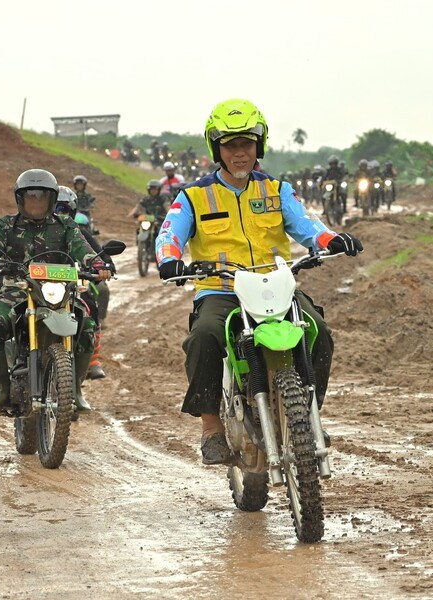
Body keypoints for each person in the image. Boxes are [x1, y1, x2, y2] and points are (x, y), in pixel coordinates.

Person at [155, 98, 363, 465]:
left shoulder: (277, 190)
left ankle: (307, 415)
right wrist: (170, 260)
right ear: (217, 150)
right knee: (204, 336)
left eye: (247, 144)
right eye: (230, 145)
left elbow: (308, 225)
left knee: (319, 332)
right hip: (222, 290)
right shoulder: (193, 196)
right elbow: (169, 234)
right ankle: (211, 428)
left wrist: (331, 240)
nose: (240, 153)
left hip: (275, 286)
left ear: (259, 146)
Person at [0, 169, 111, 413]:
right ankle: (2, 389)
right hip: (17, 290)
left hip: (59, 290)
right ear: (20, 199)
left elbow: (82, 248)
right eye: (31, 197)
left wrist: (98, 264)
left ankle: (75, 390)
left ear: (51, 199)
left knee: (88, 327)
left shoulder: (65, 225)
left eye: (41, 197)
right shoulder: (6, 225)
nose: (36, 202)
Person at [56, 185, 113, 380]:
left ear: (72, 211)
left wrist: (106, 265)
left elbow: (98, 252)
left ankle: (92, 360)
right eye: (55, 209)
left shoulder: (79, 232)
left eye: (63, 209)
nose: (59, 214)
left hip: (71, 285)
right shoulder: (35, 231)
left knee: (89, 307)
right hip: (39, 285)